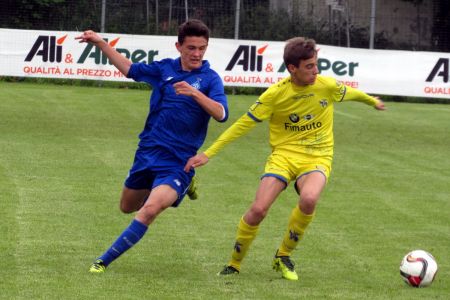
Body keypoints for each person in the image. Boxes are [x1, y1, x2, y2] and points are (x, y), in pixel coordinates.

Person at [184, 37, 386, 281]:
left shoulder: (326, 86)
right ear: (293, 68)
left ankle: (283, 255)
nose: (315, 70)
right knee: (258, 209)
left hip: (317, 156)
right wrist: (208, 153)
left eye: (316, 64)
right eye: (309, 66)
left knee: (309, 198)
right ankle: (234, 263)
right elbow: (241, 125)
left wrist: (372, 101)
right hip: (283, 156)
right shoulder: (275, 95)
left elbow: (351, 93)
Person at [75, 19, 228, 273]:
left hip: (179, 162)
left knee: (149, 209)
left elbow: (222, 113)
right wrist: (101, 43)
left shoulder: (210, 79)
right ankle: (176, 188)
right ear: (178, 46)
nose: (197, 54)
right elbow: (129, 69)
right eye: (191, 48)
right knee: (127, 207)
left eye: (202, 48)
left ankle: (102, 261)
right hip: (148, 153)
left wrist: (196, 93)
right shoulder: (164, 69)